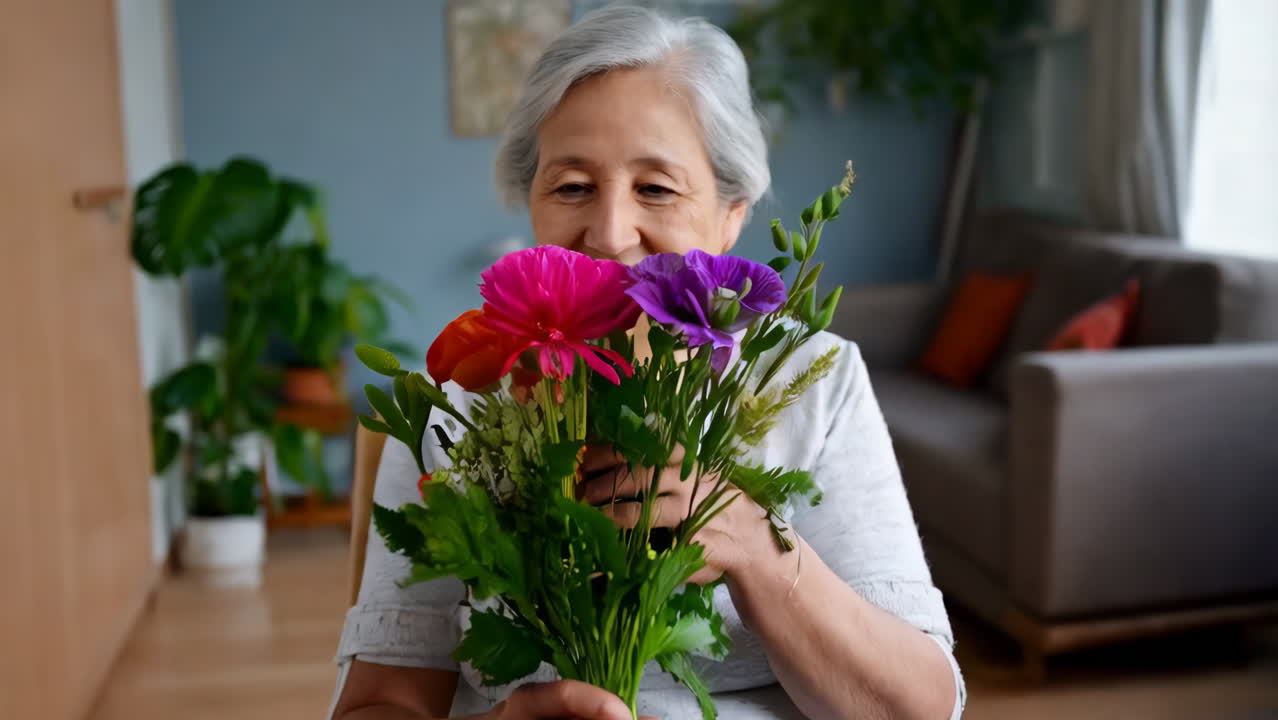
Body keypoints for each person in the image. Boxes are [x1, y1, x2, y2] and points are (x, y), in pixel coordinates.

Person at [331, 6, 963, 719]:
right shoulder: (459, 400)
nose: (607, 234)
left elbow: (922, 708)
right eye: (571, 186)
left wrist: (755, 546)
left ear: (731, 215)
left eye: (655, 189)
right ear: (530, 203)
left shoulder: (809, 383)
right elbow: (378, 703)